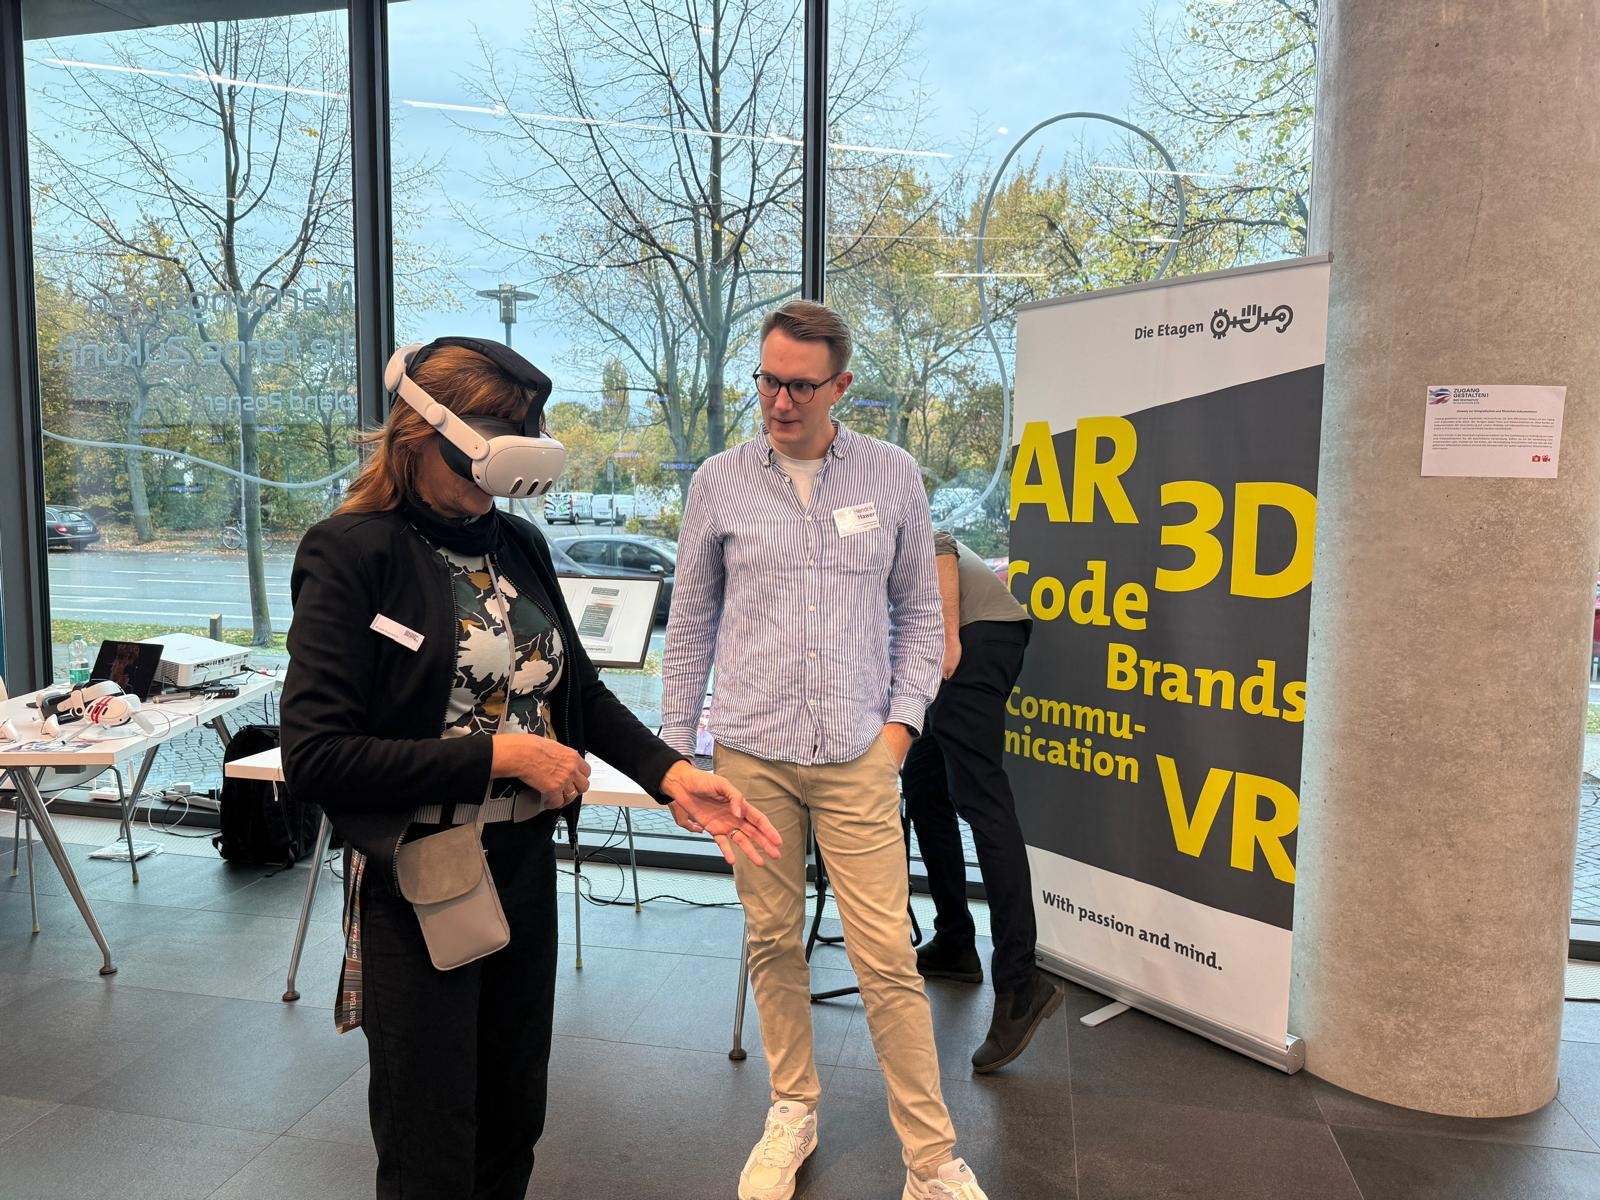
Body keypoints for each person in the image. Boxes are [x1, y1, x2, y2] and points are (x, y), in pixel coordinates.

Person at [279, 336, 781, 1200]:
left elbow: (578, 689)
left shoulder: (517, 543)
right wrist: (499, 755)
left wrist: (671, 775)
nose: (499, 475)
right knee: (431, 1137)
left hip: (521, 866)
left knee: (513, 1119)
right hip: (423, 876)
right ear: (419, 433)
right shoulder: (353, 551)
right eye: (488, 441)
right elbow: (317, 756)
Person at [661, 300, 990, 1200]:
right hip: (750, 758)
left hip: (856, 756)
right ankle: (792, 1108)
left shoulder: (891, 474)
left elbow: (920, 618)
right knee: (772, 939)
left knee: (885, 956)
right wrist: (676, 758)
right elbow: (689, 627)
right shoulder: (719, 482)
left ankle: (931, 1160)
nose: (780, 401)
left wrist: (897, 734)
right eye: (768, 381)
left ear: (841, 386)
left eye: (801, 386)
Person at [901, 530, 1063, 1072]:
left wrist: (948, 637)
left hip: (974, 636)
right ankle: (955, 941)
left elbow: (941, 545)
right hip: (958, 642)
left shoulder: (861, 505)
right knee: (924, 784)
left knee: (981, 800)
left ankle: (1021, 983)